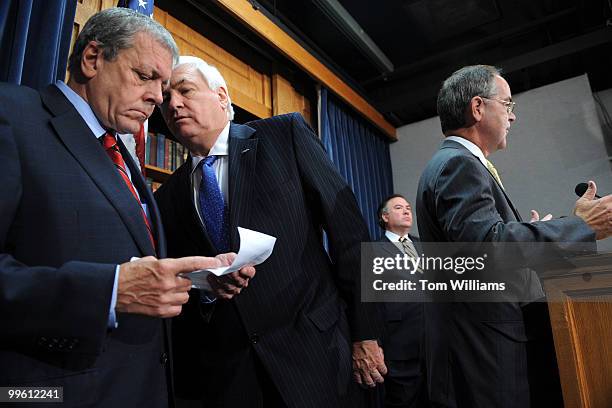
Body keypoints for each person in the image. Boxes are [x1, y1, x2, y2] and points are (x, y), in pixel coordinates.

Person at [0, 9, 253, 408]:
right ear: (92, 58)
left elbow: (137, 267)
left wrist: (200, 280)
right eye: (145, 76)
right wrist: (110, 292)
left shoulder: (124, 156)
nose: (158, 97)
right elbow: (120, 282)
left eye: (165, 85)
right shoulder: (11, 116)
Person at [154, 56, 386, 408]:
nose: (173, 103)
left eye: (185, 90)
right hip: (231, 376)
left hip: (316, 354)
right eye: (166, 97)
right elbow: (185, 284)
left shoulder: (284, 136)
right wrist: (206, 289)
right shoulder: (167, 198)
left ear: (221, 97)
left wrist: (366, 333)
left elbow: (350, 237)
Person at [415, 64, 612, 408]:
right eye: (507, 105)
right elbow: (487, 246)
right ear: (477, 108)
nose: (513, 117)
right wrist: (579, 226)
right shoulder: (459, 164)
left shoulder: (456, 162)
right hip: (481, 347)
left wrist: (537, 230)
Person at [376, 195, 429, 408]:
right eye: (399, 208)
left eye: (408, 208)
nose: (407, 211)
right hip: (399, 347)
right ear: (384, 216)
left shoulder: (425, 245)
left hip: (434, 346)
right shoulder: (372, 250)